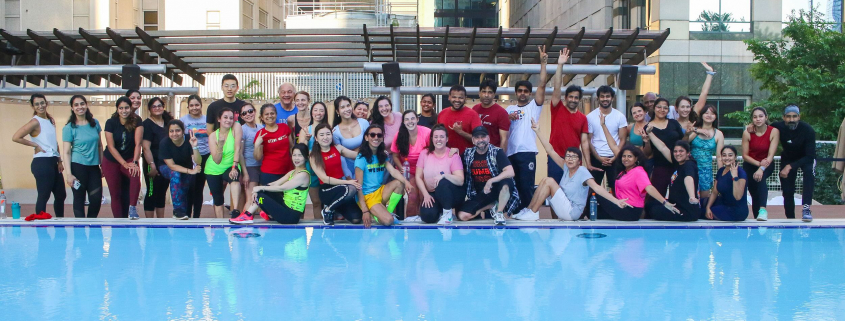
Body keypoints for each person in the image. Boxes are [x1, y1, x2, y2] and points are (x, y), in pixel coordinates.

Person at [513, 119, 628, 221]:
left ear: (579, 161)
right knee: (544, 180)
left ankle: (533, 213)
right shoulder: (566, 167)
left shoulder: (582, 171)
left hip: (572, 212)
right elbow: (551, 150)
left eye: (574, 157)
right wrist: (538, 131)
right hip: (564, 207)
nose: (570, 159)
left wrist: (616, 201)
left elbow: (597, 188)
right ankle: (528, 210)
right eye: (568, 156)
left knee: (550, 181)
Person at [749, 105, 816, 221]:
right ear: (784, 117)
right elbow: (763, 127)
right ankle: (790, 218)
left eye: (794, 116)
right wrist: (752, 126)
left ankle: (806, 208)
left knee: (809, 173)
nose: (791, 119)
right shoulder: (777, 127)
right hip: (788, 158)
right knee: (787, 190)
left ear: (799, 117)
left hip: (806, 158)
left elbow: (810, 156)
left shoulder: (808, 130)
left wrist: (789, 167)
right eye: (788, 117)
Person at [504, 46, 549, 212]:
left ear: (530, 94)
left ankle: (530, 214)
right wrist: (507, 118)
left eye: (526, 91)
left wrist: (543, 63)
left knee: (527, 186)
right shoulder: (508, 110)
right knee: (512, 185)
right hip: (510, 153)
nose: (523, 93)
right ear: (516, 93)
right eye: (520, 91)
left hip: (527, 152)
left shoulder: (533, 107)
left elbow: (542, 85)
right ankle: (514, 213)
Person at [13, 94, 66, 217]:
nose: (40, 106)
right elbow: (16, 137)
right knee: (44, 194)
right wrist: (34, 145)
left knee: (61, 194)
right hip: (42, 162)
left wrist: (59, 161)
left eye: (42, 103)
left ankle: (60, 221)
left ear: (46, 103)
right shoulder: (35, 122)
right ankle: (41, 224)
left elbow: (54, 142)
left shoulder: (50, 120)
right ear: (33, 106)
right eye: (37, 104)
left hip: (53, 161)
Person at [231, 144, 312, 225]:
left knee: (260, 196)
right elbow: (275, 183)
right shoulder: (292, 172)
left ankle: (247, 216)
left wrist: (259, 188)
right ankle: (266, 214)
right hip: (285, 208)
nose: (296, 158)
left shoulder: (304, 175)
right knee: (262, 192)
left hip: (291, 216)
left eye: (300, 155)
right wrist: (259, 189)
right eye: (294, 155)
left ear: (306, 157)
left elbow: (282, 188)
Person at [597, 144, 678, 221]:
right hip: (621, 206)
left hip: (631, 210)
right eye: (624, 156)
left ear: (636, 159)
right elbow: (613, 146)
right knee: (598, 212)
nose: (626, 159)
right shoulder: (623, 172)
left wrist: (664, 202)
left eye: (629, 156)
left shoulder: (638, 171)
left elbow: (649, 187)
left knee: (597, 193)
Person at [355, 125, 414, 228]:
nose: (376, 138)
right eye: (372, 135)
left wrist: (406, 182)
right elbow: (358, 186)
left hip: (380, 191)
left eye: (379, 135)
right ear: (366, 138)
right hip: (368, 196)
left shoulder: (381, 155)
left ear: (382, 138)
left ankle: (388, 212)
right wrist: (364, 210)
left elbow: (393, 172)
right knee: (388, 221)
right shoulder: (361, 158)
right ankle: (380, 215)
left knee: (399, 183)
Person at [459, 126, 519, 226]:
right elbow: (455, 165)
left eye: (483, 137)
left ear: (488, 138)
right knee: (463, 216)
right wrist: (452, 152)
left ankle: (499, 212)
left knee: (506, 183)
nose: (480, 140)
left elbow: (510, 172)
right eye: (477, 137)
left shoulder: (496, 152)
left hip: (497, 190)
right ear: (473, 140)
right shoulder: (467, 154)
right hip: (482, 194)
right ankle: (491, 206)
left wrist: (491, 181)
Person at [310, 123, 364, 225]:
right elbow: (325, 179)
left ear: (332, 135)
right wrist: (347, 182)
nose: (325, 137)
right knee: (351, 188)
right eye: (321, 135)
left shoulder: (338, 148)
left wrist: (376, 153)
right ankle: (327, 210)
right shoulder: (314, 156)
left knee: (357, 219)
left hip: (342, 189)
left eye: (328, 134)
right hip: (327, 190)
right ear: (316, 138)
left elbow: (356, 155)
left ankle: (336, 207)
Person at [61, 95, 103, 218]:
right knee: (79, 198)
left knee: (96, 199)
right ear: (72, 108)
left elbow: (100, 146)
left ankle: (92, 224)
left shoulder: (95, 123)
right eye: (76, 105)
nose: (80, 107)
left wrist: (102, 165)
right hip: (78, 166)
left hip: (94, 167)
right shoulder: (69, 128)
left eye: (82, 104)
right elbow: (66, 152)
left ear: (86, 105)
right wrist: (69, 174)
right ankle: (80, 230)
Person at [102, 97, 143, 219]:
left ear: (130, 108)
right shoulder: (111, 122)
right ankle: (118, 221)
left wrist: (134, 162)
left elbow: (138, 144)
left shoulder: (137, 120)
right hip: (112, 160)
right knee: (116, 194)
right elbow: (111, 146)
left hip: (130, 157)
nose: (124, 110)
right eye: (121, 108)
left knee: (135, 172)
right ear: (117, 109)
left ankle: (132, 207)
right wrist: (124, 164)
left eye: (126, 108)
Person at [416, 124, 464, 224]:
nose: (439, 139)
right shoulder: (424, 153)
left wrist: (444, 175)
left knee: (442, 182)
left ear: (447, 139)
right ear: (432, 139)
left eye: (442, 137)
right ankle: (440, 212)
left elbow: (460, 180)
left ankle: (447, 214)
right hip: (433, 193)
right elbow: (418, 177)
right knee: (427, 217)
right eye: (436, 137)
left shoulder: (452, 155)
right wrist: (426, 195)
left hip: (451, 194)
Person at [205, 107, 247, 219]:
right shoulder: (213, 136)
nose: (228, 120)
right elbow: (217, 160)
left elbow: (238, 148)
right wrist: (220, 145)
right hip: (213, 168)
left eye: (231, 118)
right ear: (219, 119)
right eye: (225, 117)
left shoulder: (235, 127)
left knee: (234, 177)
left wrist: (235, 166)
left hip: (230, 165)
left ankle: (235, 209)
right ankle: (220, 223)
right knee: (218, 199)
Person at [586, 85, 628, 191]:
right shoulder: (590, 117)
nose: (605, 99)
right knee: (592, 190)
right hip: (597, 158)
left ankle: (615, 208)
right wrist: (598, 158)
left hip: (615, 158)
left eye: (608, 96)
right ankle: (590, 208)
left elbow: (623, 139)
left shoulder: (620, 116)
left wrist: (615, 157)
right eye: (602, 96)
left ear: (612, 98)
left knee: (616, 189)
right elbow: (589, 140)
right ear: (598, 98)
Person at [391, 110, 431, 221]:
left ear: (417, 119)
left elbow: (434, 152)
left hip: (424, 170)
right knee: (412, 196)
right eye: (407, 119)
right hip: (408, 171)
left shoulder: (427, 132)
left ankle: (425, 218)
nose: (410, 121)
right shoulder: (399, 136)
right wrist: (401, 169)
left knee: (423, 195)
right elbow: (395, 156)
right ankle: (411, 221)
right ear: (403, 122)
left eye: (412, 118)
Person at [644, 141, 700, 221]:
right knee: (650, 204)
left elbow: (688, 178)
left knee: (654, 210)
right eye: (675, 151)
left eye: (681, 151)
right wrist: (649, 133)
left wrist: (692, 196)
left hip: (686, 212)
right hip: (676, 205)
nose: (678, 153)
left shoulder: (689, 165)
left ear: (688, 153)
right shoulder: (678, 163)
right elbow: (663, 148)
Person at [159, 120, 202, 220]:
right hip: (167, 168)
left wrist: (194, 146)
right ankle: (177, 210)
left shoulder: (189, 139)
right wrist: (190, 171)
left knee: (186, 187)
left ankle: (184, 213)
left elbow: (198, 160)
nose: (174, 134)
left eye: (177, 131)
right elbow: (172, 166)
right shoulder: (165, 143)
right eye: (171, 131)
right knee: (176, 174)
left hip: (185, 168)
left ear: (183, 131)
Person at [741, 107, 779, 221]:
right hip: (751, 163)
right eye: (755, 117)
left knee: (760, 179)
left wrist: (761, 168)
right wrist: (758, 164)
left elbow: (771, 155)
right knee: (753, 192)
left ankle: (763, 210)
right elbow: (745, 155)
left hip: (767, 163)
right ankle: (757, 217)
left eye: (761, 116)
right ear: (752, 119)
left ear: (766, 118)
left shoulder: (773, 131)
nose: (758, 119)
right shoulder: (747, 133)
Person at [686, 104, 724, 217]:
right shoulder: (694, 129)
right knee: (689, 195)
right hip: (691, 168)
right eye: (706, 113)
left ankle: (701, 218)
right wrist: (697, 131)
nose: (709, 115)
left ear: (715, 117)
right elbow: (685, 142)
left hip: (706, 169)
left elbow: (719, 156)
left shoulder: (718, 134)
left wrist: (722, 174)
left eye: (712, 113)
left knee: (704, 199)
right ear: (701, 115)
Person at [141, 97, 173, 218]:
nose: (157, 108)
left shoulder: (168, 122)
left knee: (162, 192)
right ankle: (150, 223)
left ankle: (160, 222)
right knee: (151, 192)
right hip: (152, 163)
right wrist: (152, 165)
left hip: (166, 163)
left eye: (159, 105)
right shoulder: (147, 124)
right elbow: (146, 147)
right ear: (149, 109)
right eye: (154, 106)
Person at [645, 98, 684, 196]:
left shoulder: (673, 123)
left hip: (678, 164)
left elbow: (683, 142)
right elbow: (647, 153)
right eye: (659, 107)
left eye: (665, 108)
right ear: (654, 108)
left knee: (678, 194)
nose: (662, 110)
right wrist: (647, 142)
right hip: (660, 166)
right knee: (657, 195)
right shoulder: (648, 127)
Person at [181, 95, 210, 218]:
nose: (194, 108)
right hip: (190, 156)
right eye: (191, 105)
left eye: (197, 105)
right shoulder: (183, 120)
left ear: (201, 106)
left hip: (206, 155)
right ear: (188, 107)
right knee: (189, 187)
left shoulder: (207, 120)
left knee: (199, 187)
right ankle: (187, 213)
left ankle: (196, 215)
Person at [253, 104, 294, 185]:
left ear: (276, 114)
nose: (270, 116)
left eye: (272, 113)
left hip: (288, 171)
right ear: (262, 117)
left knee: (288, 197)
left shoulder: (284, 127)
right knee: (271, 197)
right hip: (269, 173)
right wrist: (257, 144)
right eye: (266, 114)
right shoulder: (261, 134)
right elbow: (257, 157)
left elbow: (291, 147)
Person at [705, 146, 749, 221]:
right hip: (724, 202)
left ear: (735, 157)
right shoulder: (721, 171)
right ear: (721, 157)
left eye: (730, 155)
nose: (727, 158)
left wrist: (735, 177)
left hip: (736, 211)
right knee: (702, 203)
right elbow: (715, 192)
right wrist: (707, 207)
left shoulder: (740, 173)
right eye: (724, 155)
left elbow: (738, 197)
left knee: (700, 213)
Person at [437, 85, 482, 154]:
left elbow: (479, 140)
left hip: (467, 158)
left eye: (460, 98)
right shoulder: (442, 113)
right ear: (449, 97)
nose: (457, 100)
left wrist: (460, 132)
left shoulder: (473, 114)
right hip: (445, 157)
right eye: (454, 97)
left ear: (465, 98)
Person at [332, 96, 369, 178]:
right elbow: (340, 156)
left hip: (366, 164)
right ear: (337, 111)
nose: (347, 109)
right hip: (347, 168)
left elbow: (370, 143)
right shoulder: (335, 131)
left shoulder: (363, 123)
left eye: (348, 106)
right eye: (342, 107)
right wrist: (348, 176)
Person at [305, 101, 330, 219]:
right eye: (315, 110)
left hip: (328, 167)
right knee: (316, 202)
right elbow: (301, 151)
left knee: (329, 203)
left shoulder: (330, 129)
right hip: (312, 169)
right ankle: (318, 228)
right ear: (311, 112)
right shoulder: (306, 130)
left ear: (325, 112)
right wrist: (306, 139)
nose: (318, 113)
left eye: (321, 110)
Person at [239, 103, 264, 213]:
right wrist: (245, 173)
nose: (248, 114)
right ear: (241, 116)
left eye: (250, 111)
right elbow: (240, 152)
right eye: (244, 113)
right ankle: (244, 223)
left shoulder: (261, 127)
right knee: (250, 198)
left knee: (261, 199)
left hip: (262, 166)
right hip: (250, 166)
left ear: (254, 111)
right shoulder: (242, 130)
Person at [472, 79, 510, 150]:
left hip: (493, 154)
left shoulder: (501, 113)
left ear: (494, 95)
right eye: (484, 92)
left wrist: (501, 158)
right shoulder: (474, 109)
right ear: (479, 93)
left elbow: (504, 139)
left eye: (490, 92)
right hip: (476, 154)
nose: (486, 95)